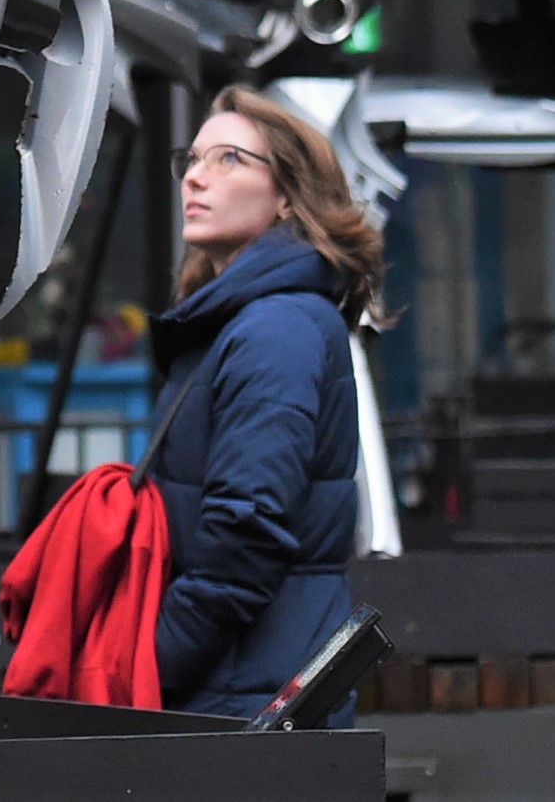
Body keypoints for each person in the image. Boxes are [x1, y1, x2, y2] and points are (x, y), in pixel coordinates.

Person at [146, 87, 384, 718]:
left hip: (243, 703)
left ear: (286, 197)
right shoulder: (237, 323)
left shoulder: (275, 330)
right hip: (241, 689)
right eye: (190, 159)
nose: (195, 177)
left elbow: (244, 533)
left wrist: (151, 663)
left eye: (228, 160)